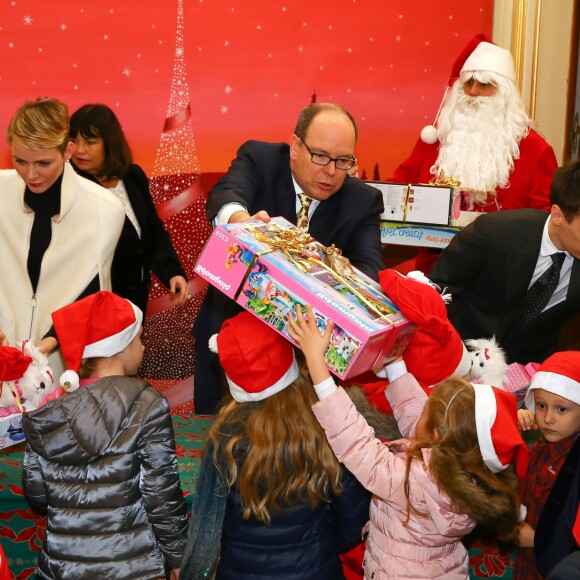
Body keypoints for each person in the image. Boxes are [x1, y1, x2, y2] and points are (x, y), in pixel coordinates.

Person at [288, 304, 528, 579]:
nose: (422, 406)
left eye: (429, 408)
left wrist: (317, 365)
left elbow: (358, 445)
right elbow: (415, 412)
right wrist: (393, 359)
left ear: (437, 436)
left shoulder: (414, 479)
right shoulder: (467, 465)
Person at [193, 102, 385, 413]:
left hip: (307, 362)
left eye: (343, 160)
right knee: (216, 441)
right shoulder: (261, 159)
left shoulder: (363, 201)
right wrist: (244, 224)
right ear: (295, 146)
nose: (331, 171)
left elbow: (370, 270)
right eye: (320, 156)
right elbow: (226, 194)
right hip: (230, 343)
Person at [181, 311, 371, 579]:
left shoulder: (223, 438)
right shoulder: (325, 429)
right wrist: (320, 543)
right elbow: (352, 521)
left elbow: (211, 522)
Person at [22, 291, 188, 580]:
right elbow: (159, 494)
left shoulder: (51, 408)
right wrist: (177, 556)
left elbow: (37, 495)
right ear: (121, 346)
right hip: (131, 567)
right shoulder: (147, 405)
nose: (144, 347)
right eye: (139, 338)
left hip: (63, 568)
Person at [391, 34, 557, 272]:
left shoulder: (535, 150)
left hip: (499, 273)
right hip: (434, 267)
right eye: (468, 83)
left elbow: (545, 226)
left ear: (505, 94)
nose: (473, 92)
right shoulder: (436, 139)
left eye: (484, 84)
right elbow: (397, 189)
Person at [0, 97, 125, 378]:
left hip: (59, 364)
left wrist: (46, 345)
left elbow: (92, 294)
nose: (31, 174)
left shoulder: (105, 209)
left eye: (43, 162)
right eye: (20, 160)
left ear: (67, 150)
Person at [429, 161, 580, 365]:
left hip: (526, 372)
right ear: (557, 215)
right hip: (459, 355)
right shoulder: (494, 232)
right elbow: (438, 289)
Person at [69, 104, 188, 314]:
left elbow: (152, 232)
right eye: (74, 141)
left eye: (90, 142)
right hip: (91, 301)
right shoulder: (71, 184)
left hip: (134, 297)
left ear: (110, 144)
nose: (80, 150)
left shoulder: (132, 176)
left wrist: (172, 272)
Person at [515, 351, 580, 580]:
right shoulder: (540, 448)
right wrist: (515, 430)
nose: (548, 418)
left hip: (556, 565)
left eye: (561, 409)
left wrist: (535, 539)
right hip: (527, 562)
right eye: (541, 406)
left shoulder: (574, 463)